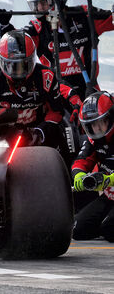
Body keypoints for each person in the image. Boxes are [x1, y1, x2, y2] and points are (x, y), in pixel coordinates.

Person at [0, 0, 114, 98]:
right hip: (56, 94)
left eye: (44, 2)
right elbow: (15, 46)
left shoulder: (84, 15)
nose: (40, 8)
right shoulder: (37, 27)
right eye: (36, 4)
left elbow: (111, 20)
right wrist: (5, 27)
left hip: (89, 91)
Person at [0, 30, 65, 148]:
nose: (18, 71)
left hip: (38, 131)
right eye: (12, 65)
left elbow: (57, 111)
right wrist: (1, 133)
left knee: (60, 137)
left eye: (23, 65)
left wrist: (41, 132)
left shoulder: (46, 76)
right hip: (5, 136)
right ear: (2, 62)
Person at [72, 91, 114, 242]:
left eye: (99, 124)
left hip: (110, 185)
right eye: (91, 126)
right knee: (77, 230)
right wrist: (78, 175)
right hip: (110, 196)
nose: (95, 130)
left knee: (109, 229)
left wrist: (109, 179)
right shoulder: (93, 140)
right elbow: (81, 160)